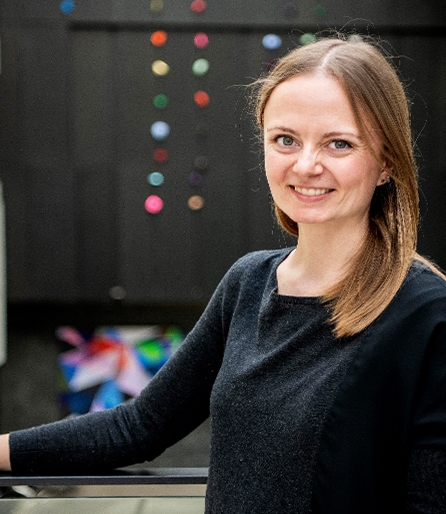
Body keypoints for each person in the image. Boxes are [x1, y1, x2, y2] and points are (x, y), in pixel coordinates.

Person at [1, 35, 446, 513]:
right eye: (285, 140)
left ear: (387, 164)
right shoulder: (248, 283)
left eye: (339, 143)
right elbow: (139, 425)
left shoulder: (425, 312)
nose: (306, 164)